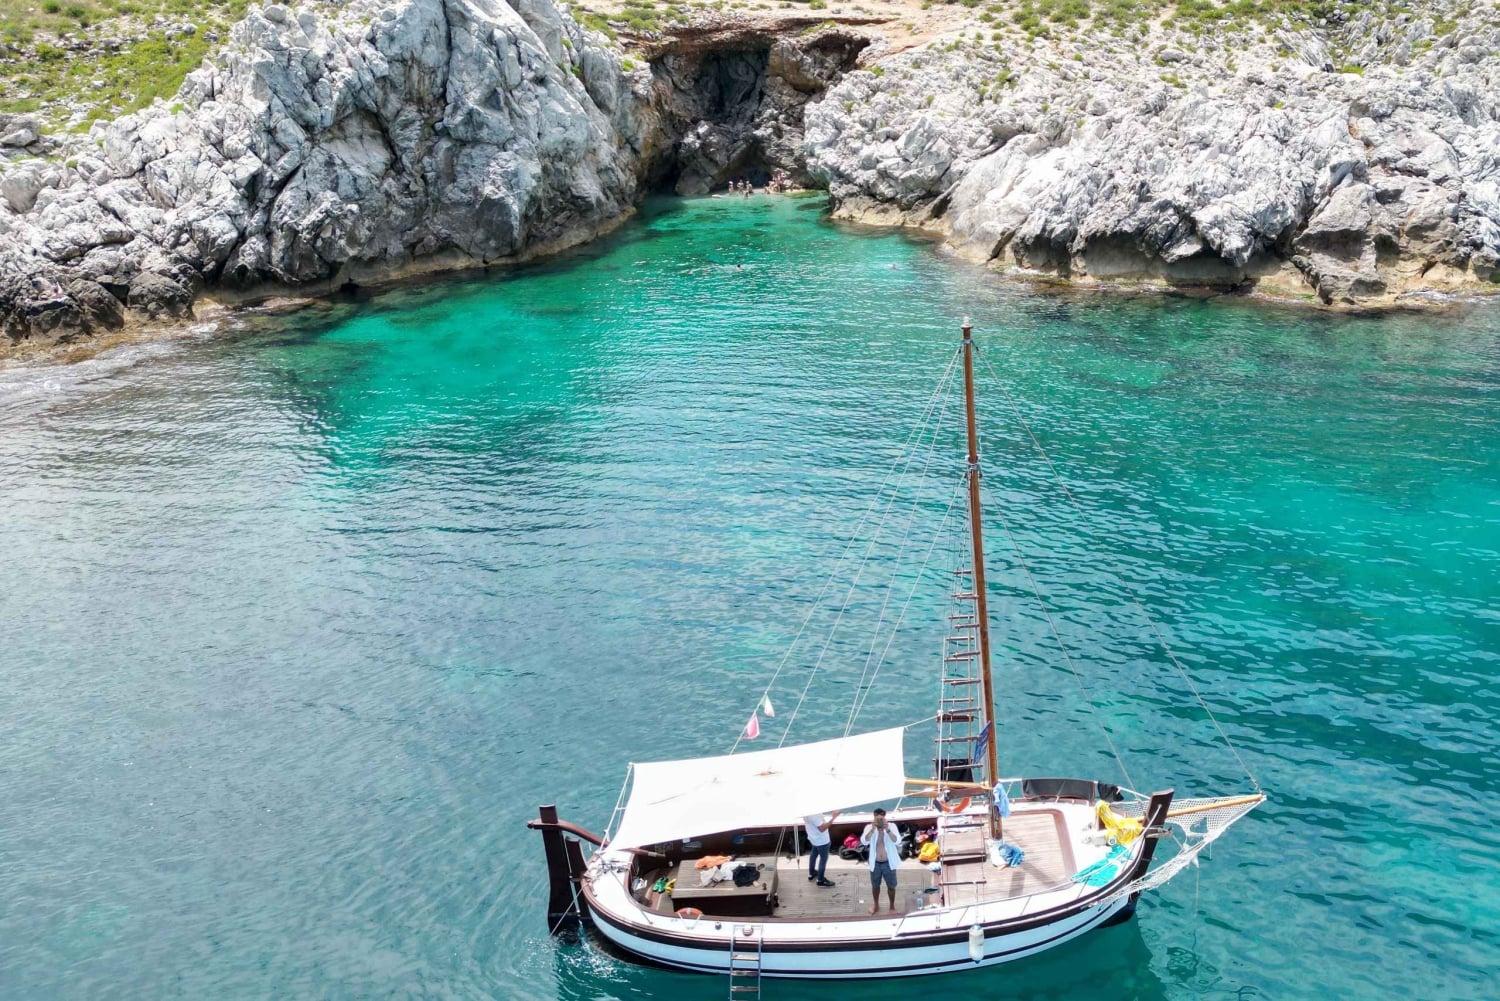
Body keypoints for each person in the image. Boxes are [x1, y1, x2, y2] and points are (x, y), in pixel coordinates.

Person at [860, 808, 903, 915]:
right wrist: (872, 829)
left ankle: (892, 906)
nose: (879, 821)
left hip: (889, 863)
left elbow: (897, 841)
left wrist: (887, 829)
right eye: (876, 818)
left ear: (885, 817)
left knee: (891, 886)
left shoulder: (892, 826)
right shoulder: (869, 827)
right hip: (875, 863)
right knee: (875, 886)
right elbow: (864, 842)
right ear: (873, 817)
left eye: (881, 818)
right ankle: (876, 905)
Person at [803, 810, 840, 886]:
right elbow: (822, 828)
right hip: (822, 841)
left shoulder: (806, 812)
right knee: (823, 859)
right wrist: (833, 818)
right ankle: (820, 880)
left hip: (813, 838)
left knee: (813, 855)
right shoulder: (814, 814)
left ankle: (812, 873)